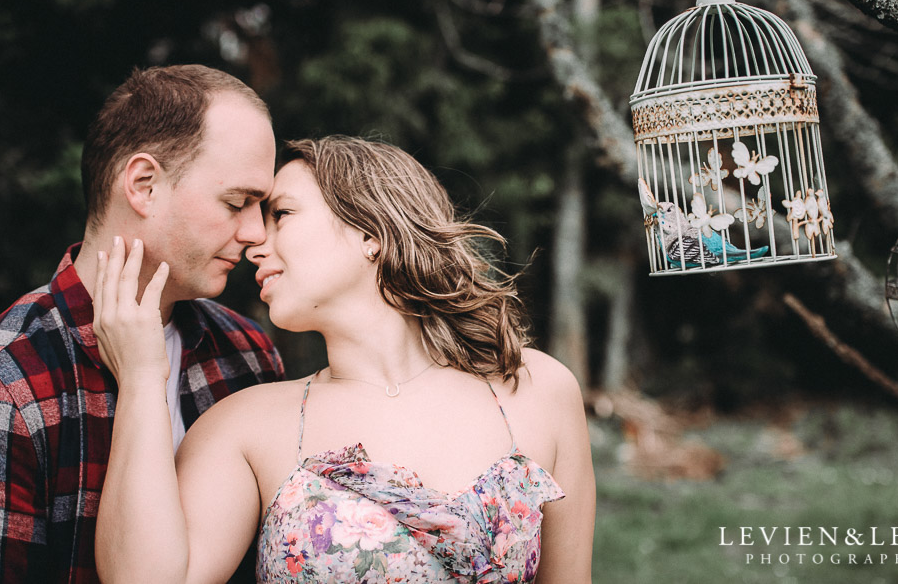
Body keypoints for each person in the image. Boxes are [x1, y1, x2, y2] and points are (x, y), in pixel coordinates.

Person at [93, 135, 596, 583]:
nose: (253, 244)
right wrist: (140, 380)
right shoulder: (244, 425)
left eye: (282, 214)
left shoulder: (538, 390)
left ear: (371, 232)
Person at [0, 65, 285, 583]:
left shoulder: (248, 351)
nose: (256, 233)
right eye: (238, 202)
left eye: (262, 206)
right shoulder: (12, 379)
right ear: (143, 185)